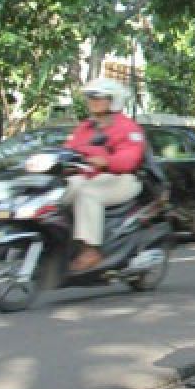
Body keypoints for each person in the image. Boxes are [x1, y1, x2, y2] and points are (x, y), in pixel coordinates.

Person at [64, 78, 147, 272]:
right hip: (90, 177)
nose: (92, 100)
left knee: (88, 194)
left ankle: (90, 249)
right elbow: (68, 149)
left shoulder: (128, 128)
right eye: (89, 97)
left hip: (122, 180)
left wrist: (107, 161)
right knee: (62, 188)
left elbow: (129, 159)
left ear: (113, 100)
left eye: (97, 97)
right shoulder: (85, 127)